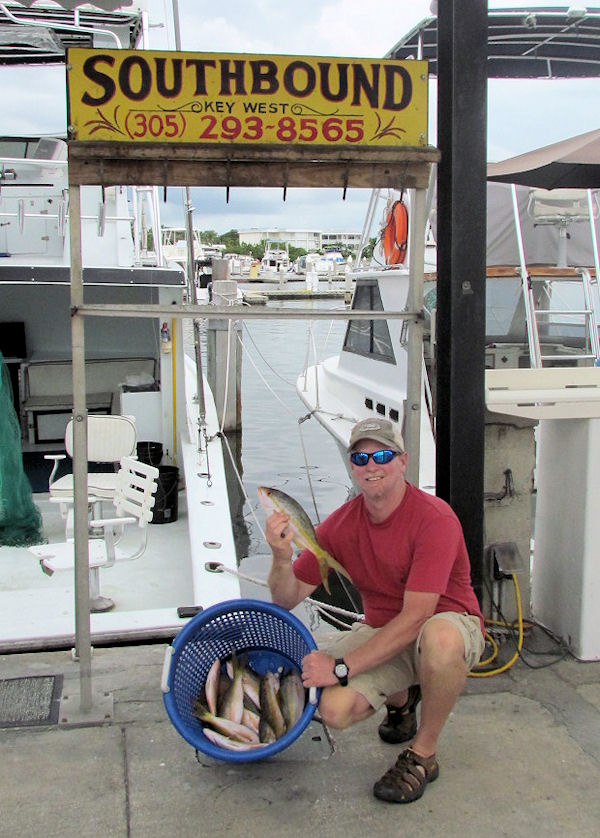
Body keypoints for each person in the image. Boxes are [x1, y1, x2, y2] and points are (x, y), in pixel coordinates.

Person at [266, 417, 485, 804]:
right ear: (351, 466)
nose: (371, 466)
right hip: (386, 630)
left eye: (382, 455)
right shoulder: (339, 526)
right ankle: (402, 701)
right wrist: (281, 558)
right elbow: (285, 599)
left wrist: (341, 666)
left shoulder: (435, 520)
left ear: (403, 461)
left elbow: (418, 616)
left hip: (445, 623)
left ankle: (423, 754)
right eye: (360, 458)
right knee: (332, 709)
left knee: (439, 640)